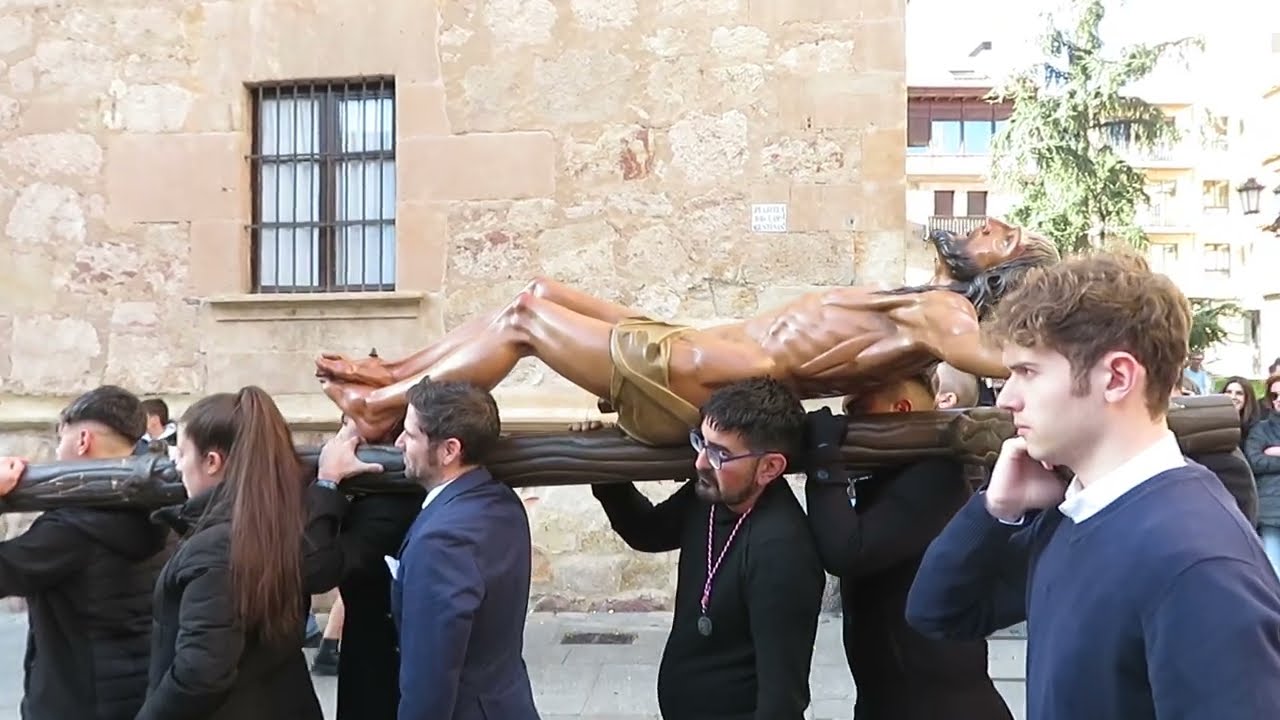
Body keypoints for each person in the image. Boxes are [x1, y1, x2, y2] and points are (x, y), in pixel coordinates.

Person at [905, 252, 1280, 719]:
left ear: (1117, 378)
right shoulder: (1077, 510)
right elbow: (938, 613)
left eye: (1027, 372)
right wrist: (995, 510)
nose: (1006, 399)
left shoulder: (1197, 563)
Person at [315, 218, 1059, 444]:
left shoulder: (946, 314)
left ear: (1001, 276)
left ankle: (387, 406)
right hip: (695, 340)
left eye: (1006, 236)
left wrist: (1062, 345)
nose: (988, 225)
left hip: (699, 368)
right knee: (538, 292)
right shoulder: (917, 305)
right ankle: (393, 376)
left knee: (525, 321)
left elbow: (995, 355)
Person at [591, 377, 826, 720]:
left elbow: (782, 698)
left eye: (720, 453)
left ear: (770, 467)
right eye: (701, 441)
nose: (700, 462)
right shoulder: (713, 497)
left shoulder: (782, 552)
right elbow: (647, 532)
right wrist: (602, 462)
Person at [317, 377, 538, 720]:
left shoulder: (441, 541)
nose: (400, 443)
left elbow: (430, 680)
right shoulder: (503, 502)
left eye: (411, 433)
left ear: (450, 449)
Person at [806, 377, 1012, 720]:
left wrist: (823, 459)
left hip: (938, 707)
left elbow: (847, 551)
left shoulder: (934, 476)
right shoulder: (893, 474)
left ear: (900, 411)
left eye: (858, 411)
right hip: (892, 699)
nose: (848, 424)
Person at [137, 387, 324, 719]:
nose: (176, 465)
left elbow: (201, 673)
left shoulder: (215, 547)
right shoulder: (279, 524)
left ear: (212, 461)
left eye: (181, 453)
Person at [0, 386, 170, 720]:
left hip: (73, 704)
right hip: (141, 693)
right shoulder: (161, 507)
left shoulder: (69, 531)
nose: (57, 450)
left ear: (82, 441)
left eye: (60, 438)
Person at [303, 417, 425, 719]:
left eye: (353, 424)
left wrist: (328, 481)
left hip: (383, 663)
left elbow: (316, 569)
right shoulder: (372, 497)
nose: (340, 437)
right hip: (370, 653)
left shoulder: (388, 507)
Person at [1245, 374, 1280, 574]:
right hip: (1270, 509)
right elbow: (1255, 462)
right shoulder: (1261, 429)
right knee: (1273, 571)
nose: (1278, 400)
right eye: (1274, 395)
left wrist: (1275, 451)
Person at [1222, 375, 1260, 450]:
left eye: (1239, 393)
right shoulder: (1213, 423)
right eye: (1228, 392)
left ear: (1247, 398)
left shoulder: (1256, 428)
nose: (1233, 397)